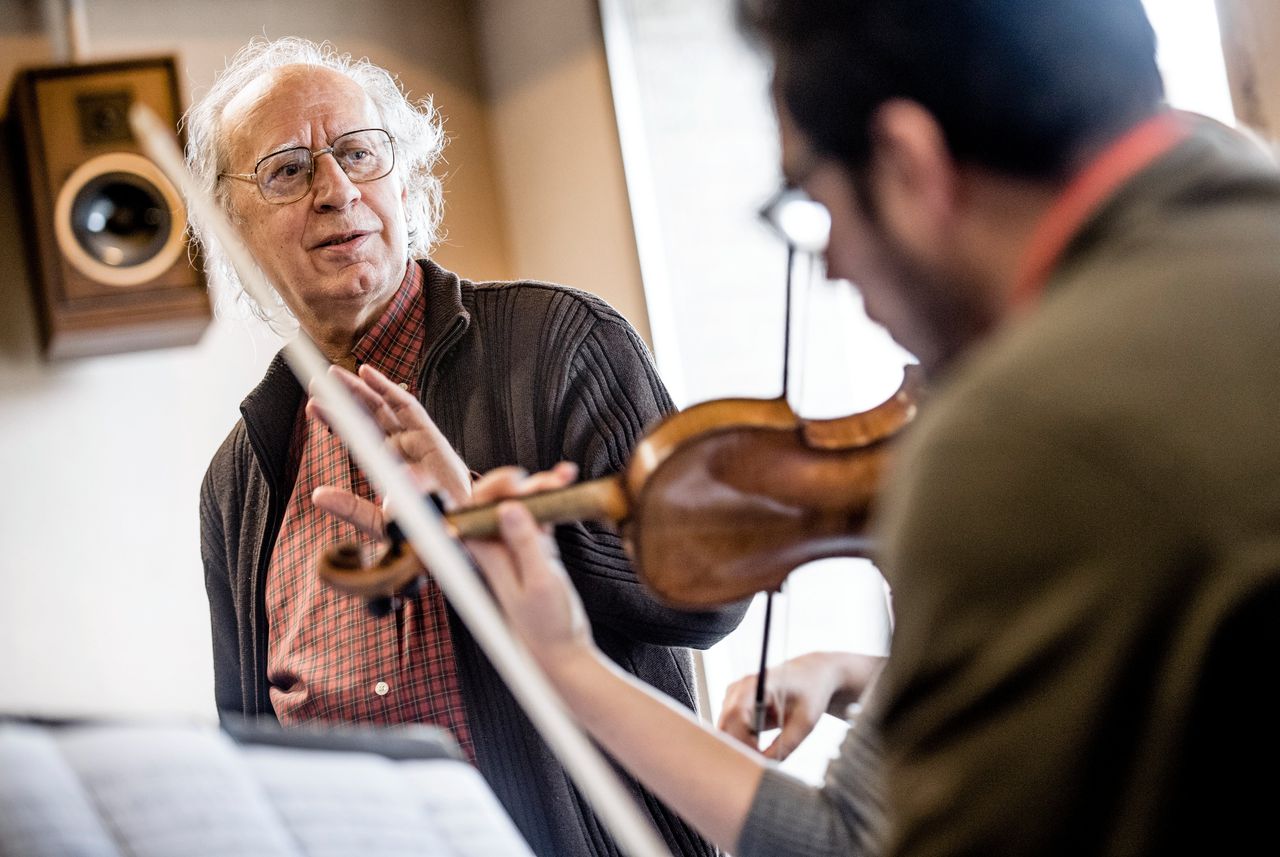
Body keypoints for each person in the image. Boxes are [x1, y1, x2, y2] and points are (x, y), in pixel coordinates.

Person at [454, 0, 1280, 855]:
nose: (835, 264)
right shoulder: (1241, 216)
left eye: (812, 198)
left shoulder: (1025, 434)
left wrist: (567, 665)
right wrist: (870, 677)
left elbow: (851, 843)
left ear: (906, 159)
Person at [189, 37, 746, 857]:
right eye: (288, 170)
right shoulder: (236, 482)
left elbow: (706, 590)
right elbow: (255, 750)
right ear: (231, 226)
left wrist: (485, 514)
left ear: (404, 180)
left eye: (356, 153)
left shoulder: (562, 341)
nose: (336, 190)